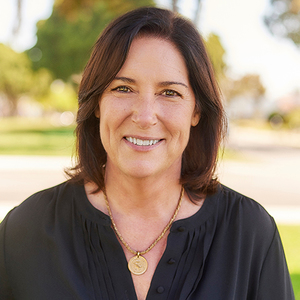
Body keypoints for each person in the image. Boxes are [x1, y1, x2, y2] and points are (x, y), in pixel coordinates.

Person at [0, 6, 295, 300]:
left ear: (196, 111)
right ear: (97, 103)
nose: (144, 116)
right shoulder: (26, 230)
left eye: (170, 93)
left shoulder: (250, 234)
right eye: (123, 88)